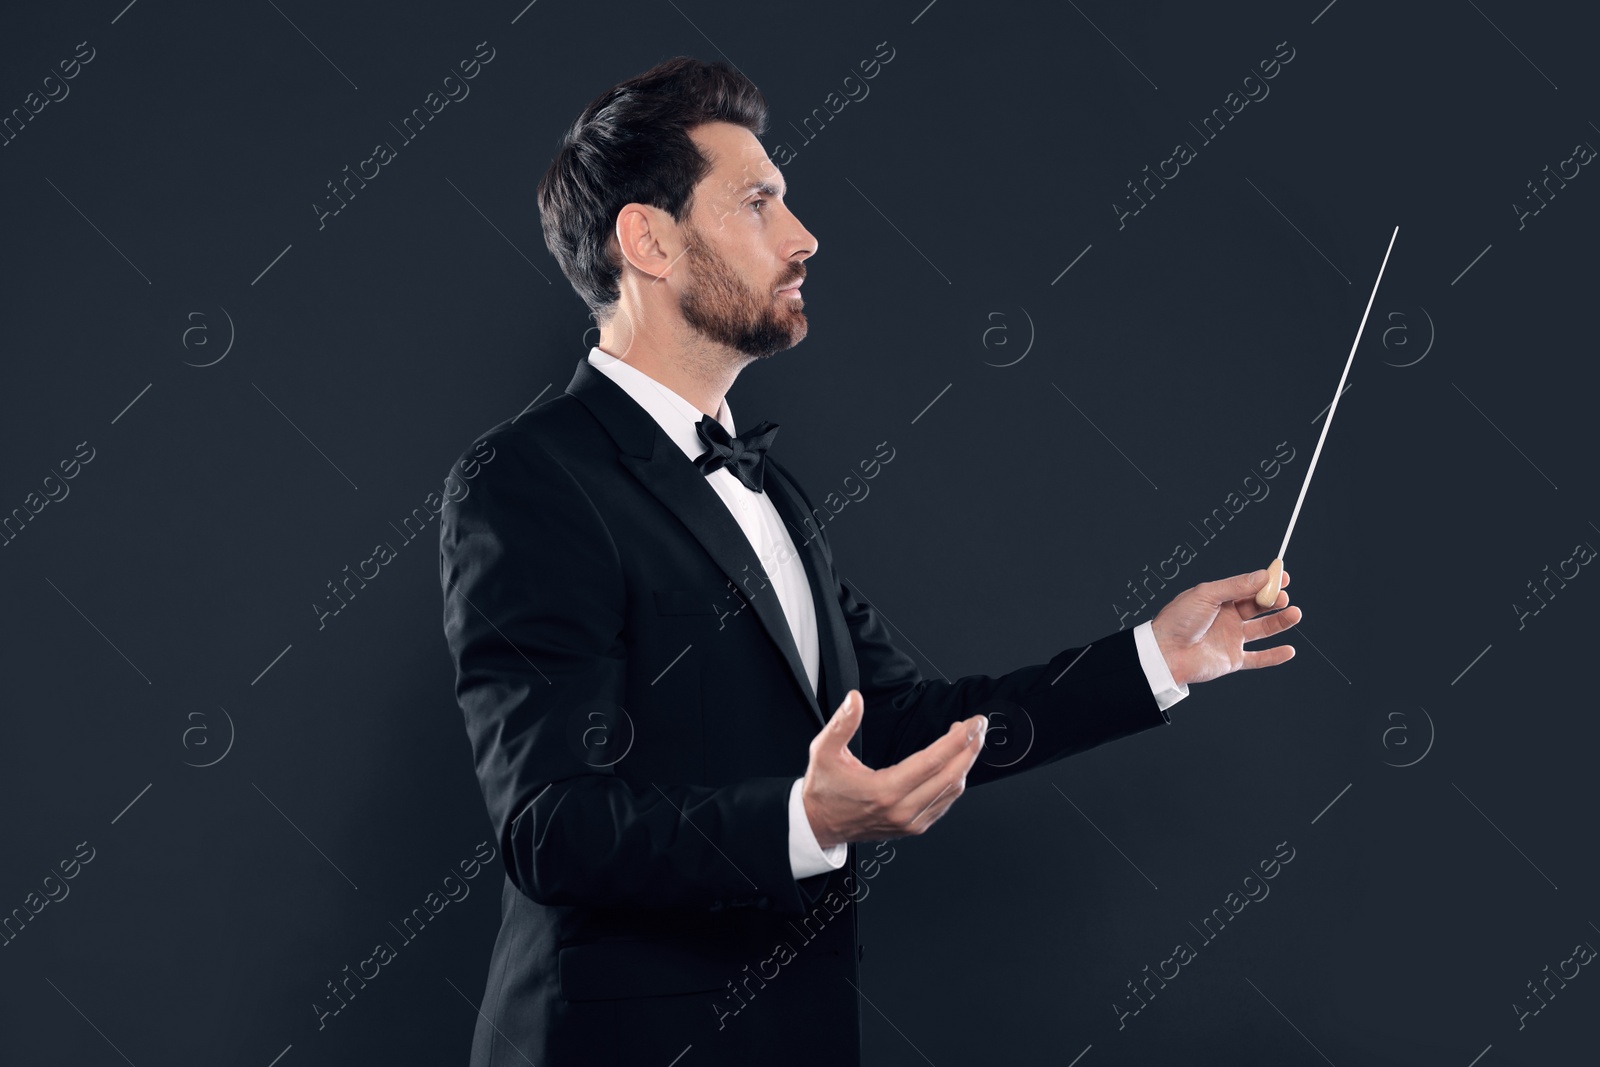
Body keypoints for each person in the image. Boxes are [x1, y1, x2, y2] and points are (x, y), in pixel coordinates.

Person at [437, 55, 1301, 1067]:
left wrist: (1154, 656)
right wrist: (799, 820)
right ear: (648, 240)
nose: (803, 238)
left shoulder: (776, 493)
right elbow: (553, 826)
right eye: (759, 202)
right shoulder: (527, 478)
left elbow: (895, 727)